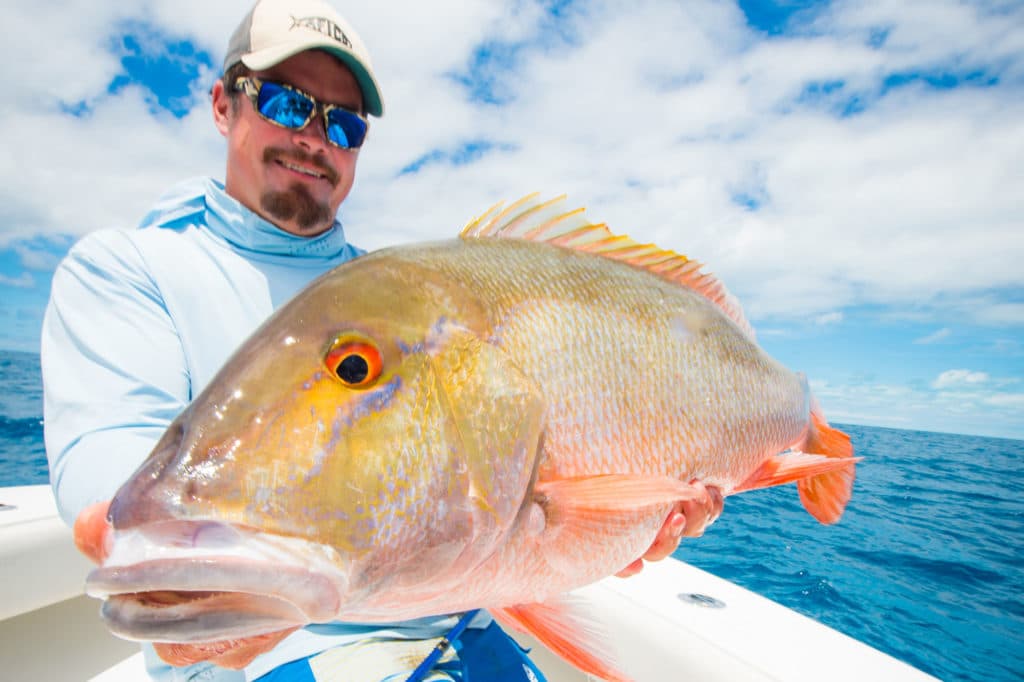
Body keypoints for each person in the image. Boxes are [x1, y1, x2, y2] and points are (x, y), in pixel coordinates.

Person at [41, 0, 724, 680]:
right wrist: (164, 560)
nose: (314, 137)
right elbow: (112, 461)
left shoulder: (398, 295)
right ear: (223, 104)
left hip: (467, 629)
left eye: (343, 123)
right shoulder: (129, 268)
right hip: (274, 656)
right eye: (284, 102)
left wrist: (610, 531)